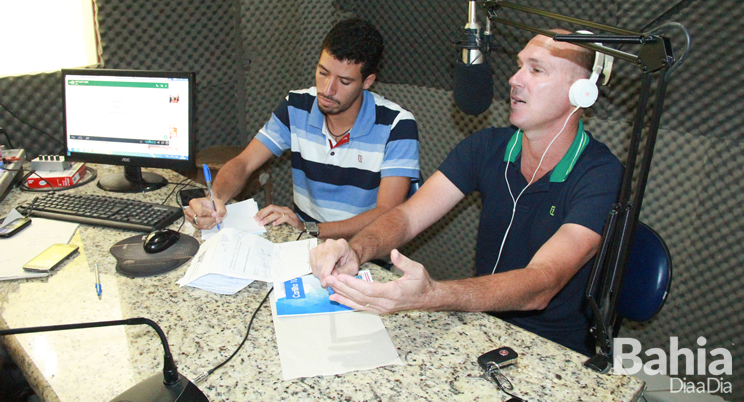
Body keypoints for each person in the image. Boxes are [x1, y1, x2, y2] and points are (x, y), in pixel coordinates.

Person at [309, 30, 623, 356]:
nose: (514, 79)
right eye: (519, 66)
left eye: (536, 69)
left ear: (582, 91)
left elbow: (542, 282)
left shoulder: (601, 174)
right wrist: (355, 250)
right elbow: (406, 216)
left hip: (554, 351)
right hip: (481, 325)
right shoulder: (484, 147)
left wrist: (433, 294)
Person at [186, 18, 420, 239]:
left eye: (344, 81)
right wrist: (215, 198)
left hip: (365, 251)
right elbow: (244, 162)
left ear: (367, 82)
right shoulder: (296, 106)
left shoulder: (397, 125)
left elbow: (387, 212)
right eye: (323, 73)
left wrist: (312, 228)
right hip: (306, 242)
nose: (328, 90)